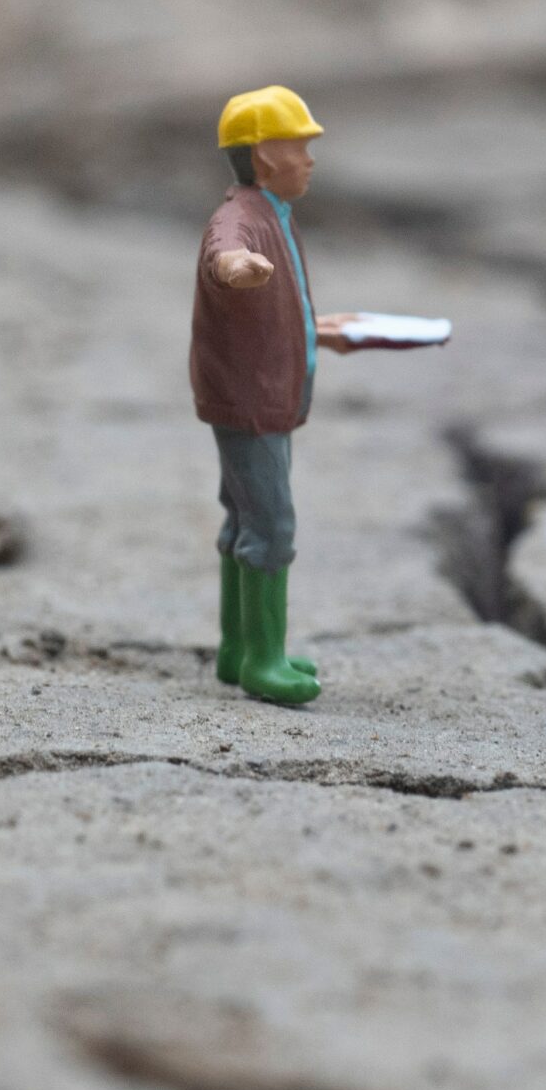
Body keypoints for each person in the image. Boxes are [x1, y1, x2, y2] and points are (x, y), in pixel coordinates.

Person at [190, 85, 362, 705]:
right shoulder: (241, 221)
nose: (310, 158)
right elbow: (223, 256)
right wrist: (236, 270)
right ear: (264, 155)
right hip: (251, 400)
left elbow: (273, 309)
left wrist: (319, 332)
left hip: (263, 394)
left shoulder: (274, 215)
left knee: (244, 515)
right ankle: (264, 659)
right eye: (300, 146)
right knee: (271, 523)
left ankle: (239, 649)